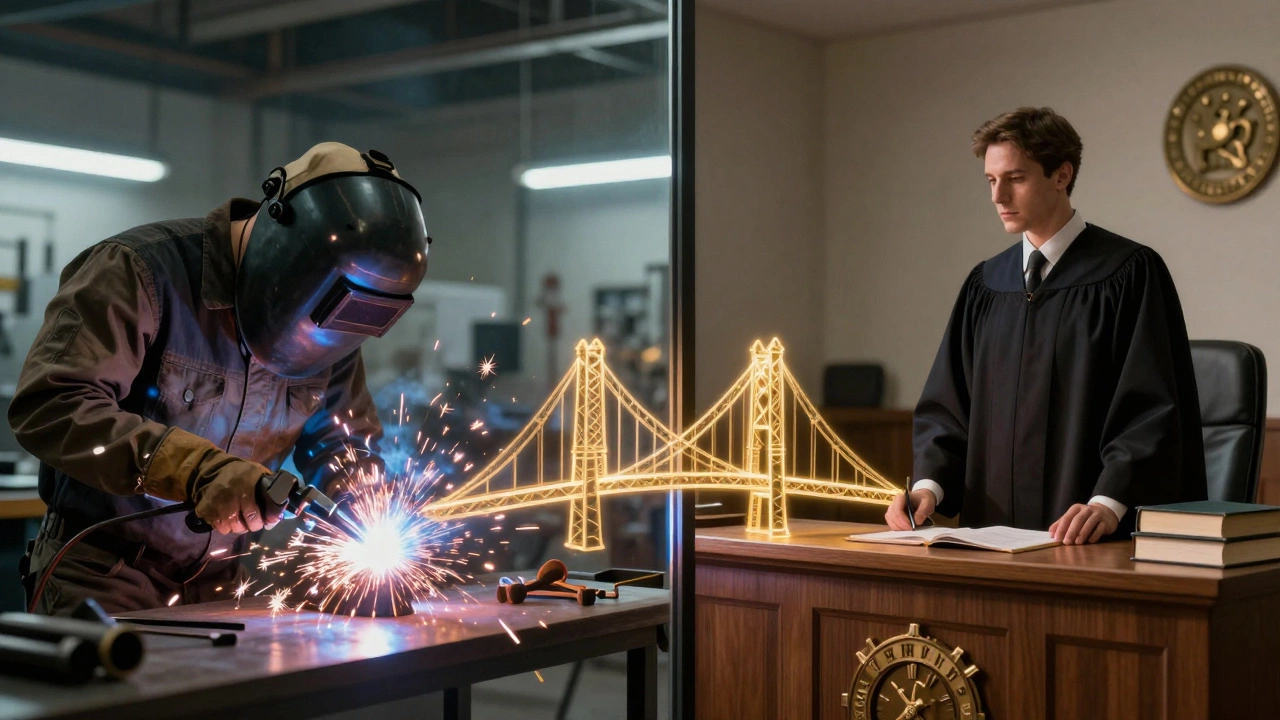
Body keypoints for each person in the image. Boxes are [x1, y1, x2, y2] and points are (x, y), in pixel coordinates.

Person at [9, 142, 430, 614]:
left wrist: (362, 499)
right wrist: (197, 470)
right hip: (102, 572)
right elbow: (52, 405)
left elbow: (340, 443)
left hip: (222, 580)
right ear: (281, 243)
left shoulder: (338, 324)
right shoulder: (138, 270)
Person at [885, 107, 1206, 544]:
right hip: (989, 541)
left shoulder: (1128, 273)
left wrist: (1109, 502)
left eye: (1015, 178)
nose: (998, 197)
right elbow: (949, 404)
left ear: (1061, 175)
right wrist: (928, 487)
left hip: (1089, 541)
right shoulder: (985, 285)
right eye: (991, 180)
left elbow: (1153, 407)